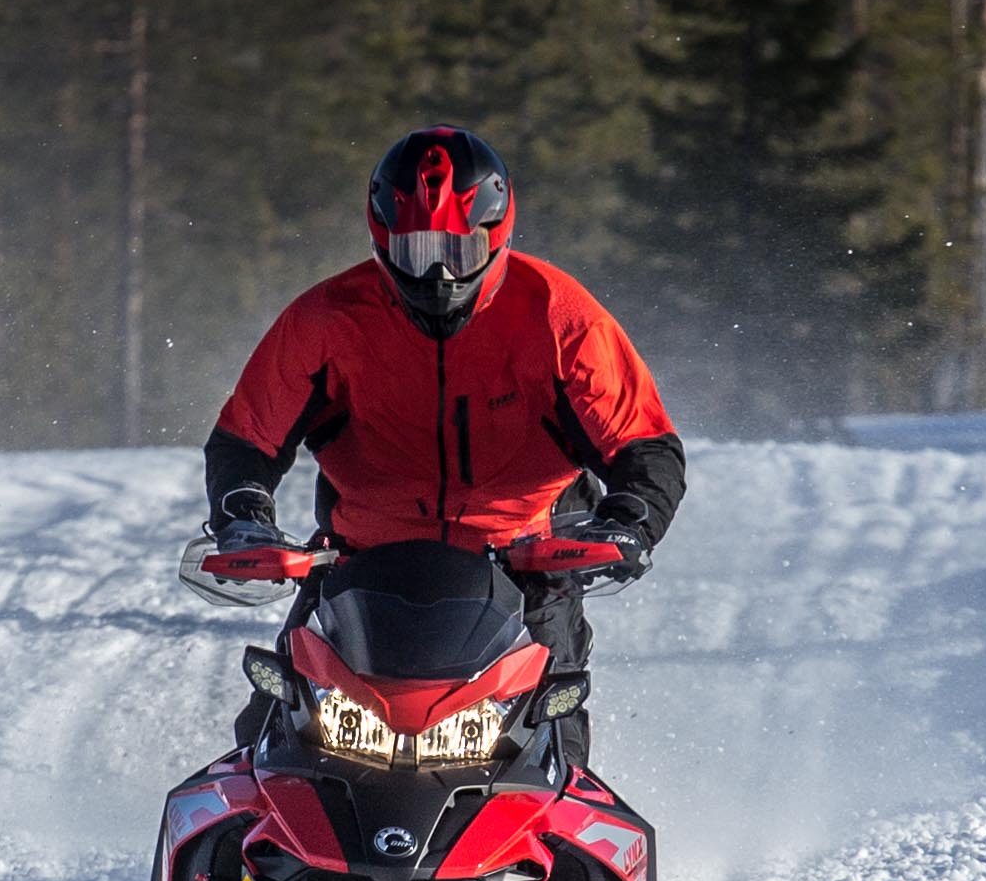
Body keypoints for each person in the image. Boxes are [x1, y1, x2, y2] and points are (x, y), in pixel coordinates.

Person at [199, 126, 685, 755]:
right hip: (361, 566)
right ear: (381, 241)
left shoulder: (560, 316)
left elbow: (643, 444)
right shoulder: (325, 320)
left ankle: (570, 853)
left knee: (549, 744)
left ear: (499, 235)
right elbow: (246, 439)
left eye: (459, 250)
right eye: (414, 249)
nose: (437, 273)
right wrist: (243, 516)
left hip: (524, 563)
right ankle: (231, 848)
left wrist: (626, 522)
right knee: (273, 737)